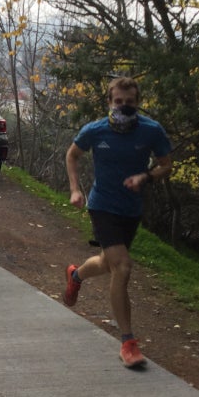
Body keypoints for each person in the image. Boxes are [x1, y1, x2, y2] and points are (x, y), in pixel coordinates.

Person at [63, 76, 173, 368]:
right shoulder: (95, 130)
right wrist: (75, 189)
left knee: (107, 262)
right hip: (102, 206)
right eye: (118, 102)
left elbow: (166, 164)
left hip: (131, 209)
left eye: (130, 102)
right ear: (109, 102)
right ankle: (128, 342)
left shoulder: (151, 131)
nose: (124, 107)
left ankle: (75, 276)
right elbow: (72, 156)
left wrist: (146, 176)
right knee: (122, 267)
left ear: (137, 103)